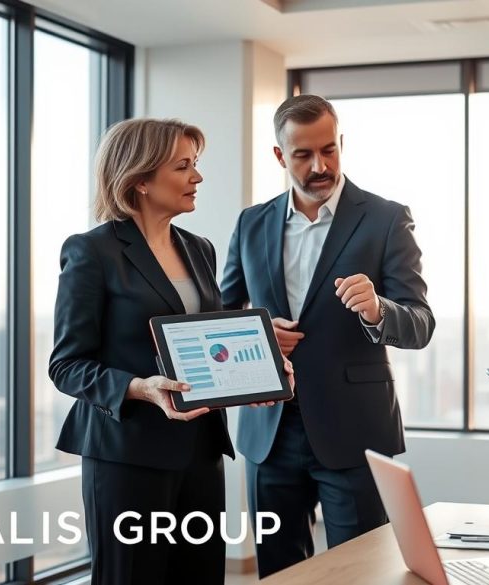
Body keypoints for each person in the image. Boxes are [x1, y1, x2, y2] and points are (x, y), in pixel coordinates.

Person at [48, 118, 290, 584]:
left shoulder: (199, 249)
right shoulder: (91, 252)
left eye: (195, 164)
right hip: (128, 455)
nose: (197, 177)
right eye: (183, 166)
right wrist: (140, 387)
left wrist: (258, 370)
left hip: (200, 450)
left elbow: (204, 343)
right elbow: (66, 365)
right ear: (139, 180)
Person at [221, 94, 435, 577]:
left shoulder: (385, 219)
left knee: (359, 570)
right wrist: (255, 335)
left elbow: (420, 323)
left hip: (353, 431)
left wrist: (379, 309)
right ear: (280, 156)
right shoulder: (251, 223)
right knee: (279, 571)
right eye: (303, 155)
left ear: (341, 143)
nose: (320, 166)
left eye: (329, 150)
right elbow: (222, 314)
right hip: (268, 432)